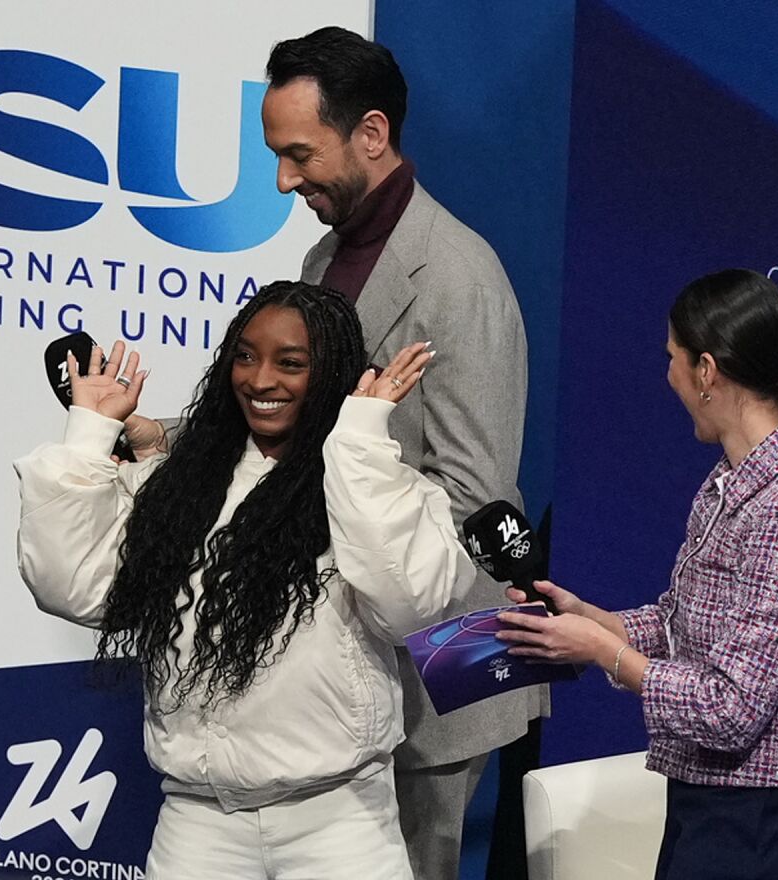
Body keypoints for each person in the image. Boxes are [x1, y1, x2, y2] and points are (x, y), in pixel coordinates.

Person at [15, 281, 476, 879]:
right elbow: (75, 588)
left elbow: (407, 606)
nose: (260, 381)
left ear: (332, 373)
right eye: (245, 356)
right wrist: (89, 437)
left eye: (291, 363)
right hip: (198, 825)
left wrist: (358, 444)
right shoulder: (180, 489)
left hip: (340, 825)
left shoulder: (380, 487)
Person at [497, 269, 778, 880]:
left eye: (672, 358)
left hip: (770, 817)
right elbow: (685, 625)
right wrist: (594, 621)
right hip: (716, 799)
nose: (668, 376)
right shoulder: (729, 480)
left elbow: (732, 707)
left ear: (707, 371)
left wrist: (604, 653)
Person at [261, 27, 542, 879]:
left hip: (443, 657)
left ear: (371, 135)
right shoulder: (324, 255)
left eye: (300, 154)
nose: (284, 180)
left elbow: (474, 500)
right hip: (343, 655)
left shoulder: (462, 277)